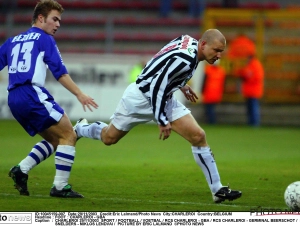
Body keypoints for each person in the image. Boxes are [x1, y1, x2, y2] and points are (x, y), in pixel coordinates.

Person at [74, 29, 242, 203]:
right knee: (109, 138)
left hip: (164, 97)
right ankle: (81, 128)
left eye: (221, 51)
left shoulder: (187, 41)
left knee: (198, 136)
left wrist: (181, 84)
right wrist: (161, 119)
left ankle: (217, 190)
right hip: (140, 98)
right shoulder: (185, 60)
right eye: (216, 50)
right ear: (204, 44)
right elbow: (156, 86)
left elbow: (164, 60)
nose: (219, 55)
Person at [0, 0, 98, 198]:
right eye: (55, 19)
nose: (58, 24)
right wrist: (80, 94)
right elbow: (60, 72)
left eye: (60, 21)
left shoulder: (12, 41)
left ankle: (22, 169)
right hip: (32, 94)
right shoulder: (45, 39)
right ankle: (60, 187)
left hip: (14, 99)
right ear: (41, 18)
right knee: (69, 135)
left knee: (57, 140)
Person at [234, 55, 264, 126]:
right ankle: (251, 122)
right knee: (250, 108)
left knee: (253, 108)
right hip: (250, 91)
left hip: (253, 91)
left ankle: (254, 123)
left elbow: (250, 75)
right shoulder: (252, 65)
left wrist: (244, 74)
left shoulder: (254, 65)